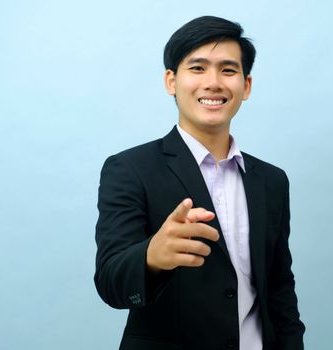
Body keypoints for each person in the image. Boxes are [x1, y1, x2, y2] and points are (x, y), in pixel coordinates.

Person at [94, 15, 305, 350]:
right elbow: (110, 283)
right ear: (171, 81)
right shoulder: (129, 168)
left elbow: (279, 285)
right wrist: (152, 256)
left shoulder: (271, 181)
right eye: (197, 68)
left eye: (228, 69)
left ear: (245, 86)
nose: (213, 82)